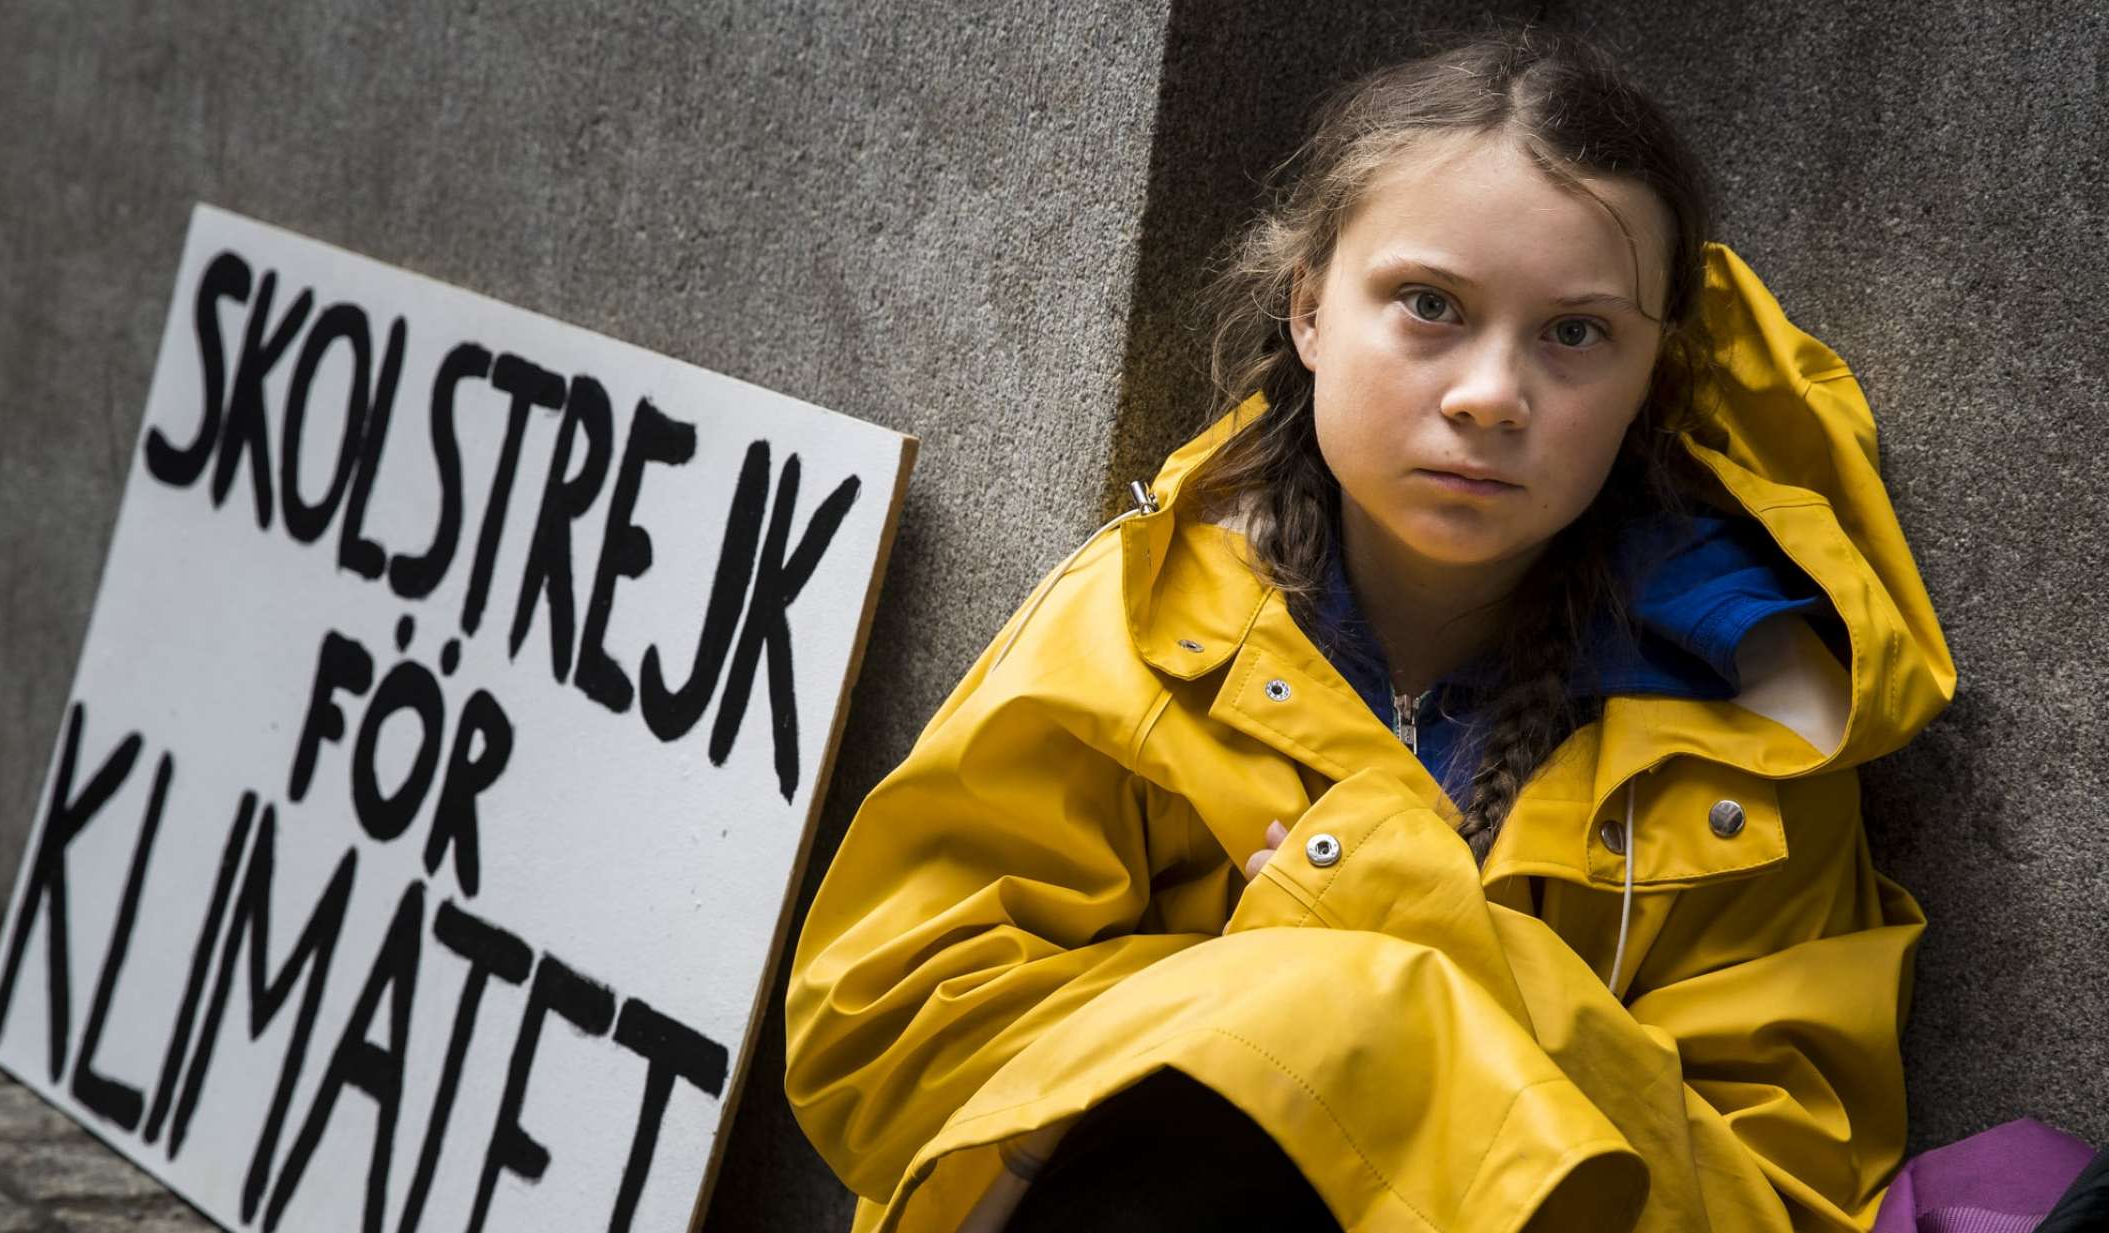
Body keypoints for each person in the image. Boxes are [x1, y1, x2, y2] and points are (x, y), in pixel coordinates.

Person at [784, 24, 1955, 1233]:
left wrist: (1403, 935)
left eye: (1574, 333)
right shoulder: (1143, 625)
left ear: (1651, 377)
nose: (1488, 395)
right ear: (1308, 311)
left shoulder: (1753, 735)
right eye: (1428, 305)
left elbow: (1778, 1203)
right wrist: (1329, 998)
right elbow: (881, 1037)